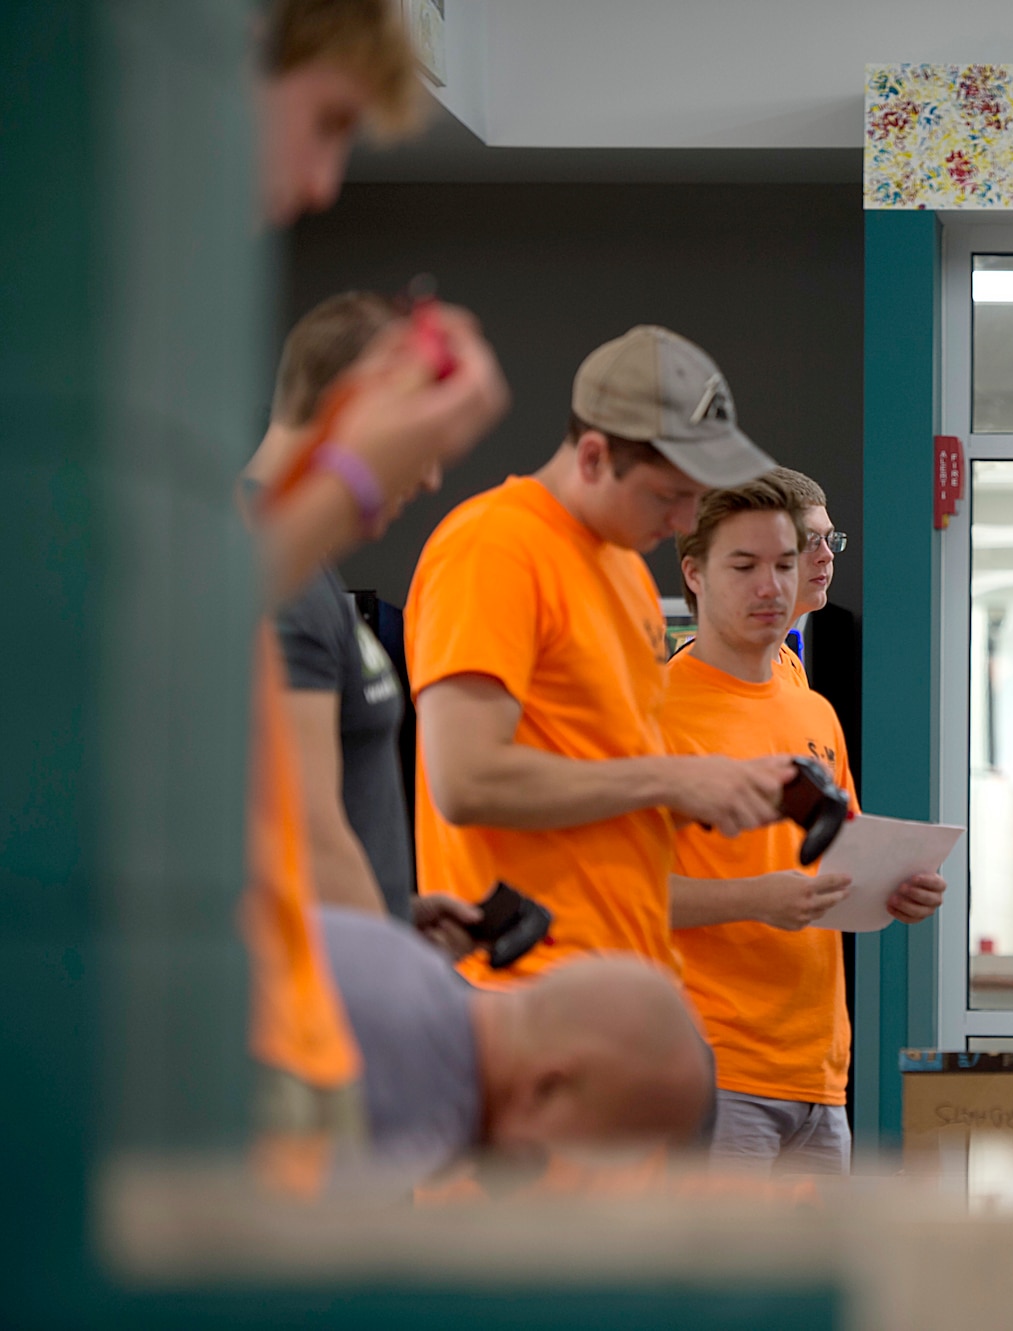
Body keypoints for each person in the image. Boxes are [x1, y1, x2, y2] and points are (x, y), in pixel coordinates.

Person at [244, 0, 509, 1144]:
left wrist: (400, 923)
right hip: (300, 1033)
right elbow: (308, 826)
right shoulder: (281, 579)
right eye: (326, 122)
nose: (317, 184)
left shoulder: (308, 585)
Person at [408, 326, 797, 988]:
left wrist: (714, 786)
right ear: (592, 456)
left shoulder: (624, 569)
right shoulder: (494, 547)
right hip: (532, 988)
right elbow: (466, 780)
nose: (684, 518)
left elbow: (603, 767)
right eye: (668, 493)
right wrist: (670, 780)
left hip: (625, 978)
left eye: (696, 495)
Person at [662, 479, 945, 1173]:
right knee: (726, 1283)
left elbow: (838, 856)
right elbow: (621, 893)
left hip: (819, 1071)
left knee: (822, 1282)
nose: (772, 585)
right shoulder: (654, 713)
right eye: (745, 566)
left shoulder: (813, 710)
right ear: (694, 574)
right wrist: (757, 898)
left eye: (786, 563)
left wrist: (892, 886)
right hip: (713, 1063)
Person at [245, 292, 482, 958]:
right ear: (357, 408)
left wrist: (391, 911)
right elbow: (312, 839)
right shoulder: (280, 580)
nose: (431, 475)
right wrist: (402, 981)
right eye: (423, 441)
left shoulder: (302, 570)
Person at [317, 907, 713, 1177]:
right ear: (548, 1087)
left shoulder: (398, 950)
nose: (550, 1171)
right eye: (586, 1155)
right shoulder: (409, 1121)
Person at [766, 467, 845, 688]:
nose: (827, 555)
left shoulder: (789, 662)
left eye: (829, 538)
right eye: (808, 539)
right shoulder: (710, 676)